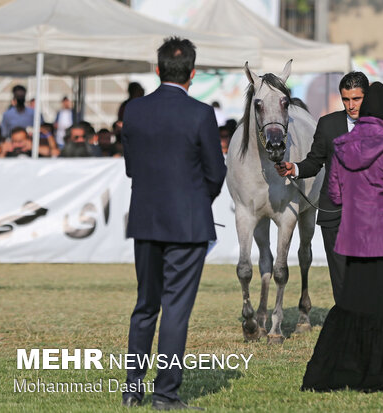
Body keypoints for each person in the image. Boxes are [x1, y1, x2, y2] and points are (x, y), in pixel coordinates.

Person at [121, 37, 226, 410]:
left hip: (147, 220)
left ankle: (133, 388)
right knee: (175, 310)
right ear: (193, 74)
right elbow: (216, 172)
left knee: (145, 305)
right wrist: (198, 203)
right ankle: (165, 394)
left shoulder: (134, 111)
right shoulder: (200, 113)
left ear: (157, 69)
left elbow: (131, 167)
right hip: (188, 224)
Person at [301, 82, 383, 394]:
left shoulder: (342, 145)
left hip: (355, 238)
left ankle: (333, 372)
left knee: (352, 307)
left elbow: (335, 193)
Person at [275, 71, 369, 303]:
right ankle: (347, 324)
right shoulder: (327, 124)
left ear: (367, 97)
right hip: (333, 214)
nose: (351, 105)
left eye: (356, 99)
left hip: (370, 214)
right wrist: (294, 168)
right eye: (346, 99)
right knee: (340, 276)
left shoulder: (382, 125)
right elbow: (314, 162)